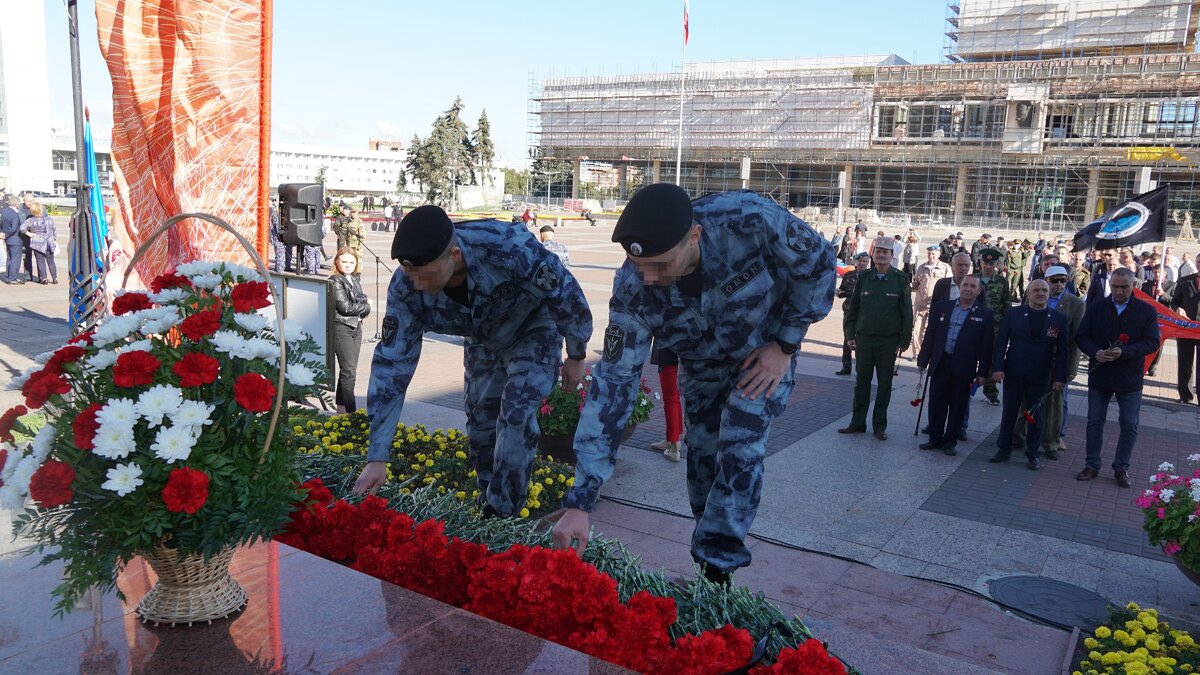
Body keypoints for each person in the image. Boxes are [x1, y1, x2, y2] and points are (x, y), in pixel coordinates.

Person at [550, 184, 835, 584]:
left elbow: (819, 263)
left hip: (763, 356)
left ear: (695, 236)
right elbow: (613, 387)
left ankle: (718, 570)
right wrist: (581, 500)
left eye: (661, 265)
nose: (650, 278)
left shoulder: (748, 219)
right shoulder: (633, 290)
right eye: (640, 267)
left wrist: (786, 343)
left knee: (740, 443)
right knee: (702, 460)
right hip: (702, 368)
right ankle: (709, 563)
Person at [354, 205, 593, 519]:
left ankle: (503, 515)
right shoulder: (406, 286)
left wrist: (575, 354)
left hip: (533, 330)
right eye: (412, 276)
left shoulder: (505, 245)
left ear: (454, 255)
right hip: (483, 341)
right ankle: (488, 498)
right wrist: (377, 456)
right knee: (481, 429)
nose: (419, 286)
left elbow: (565, 293)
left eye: (426, 276)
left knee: (516, 416)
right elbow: (392, 366)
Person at [1075, 268, 1160, 487]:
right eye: (1115, 287)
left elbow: (1152, 342)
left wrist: (1125, 351)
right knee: (1094, 421)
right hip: (1100, 375)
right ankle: (1092, 464)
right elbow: (1082, 336)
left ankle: (1121, 468)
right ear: (1109, 285)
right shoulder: (1096, 308)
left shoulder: (1146, 311)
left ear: (1134, 286)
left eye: (1124, 287)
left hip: (1129, 378)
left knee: (1129, 423)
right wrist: (1095, 352)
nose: (1119, 291)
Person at [988, 280, 1070, 470]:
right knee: (1009, 412)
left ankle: (1033, 453)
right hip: (1014, 371)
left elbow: (1063, 351)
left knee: (1036, 416)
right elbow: (1001, 343)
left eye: (1044, 290)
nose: (1041, 293)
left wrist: (1059, 377)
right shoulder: (1013, 314)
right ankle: (1003, 449)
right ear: (1028, 293)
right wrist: (998, 368)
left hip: (1041, 375)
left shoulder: (1058, 318)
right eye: (1036, 290)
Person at [839, 236, 913, 441]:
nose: (881, 255)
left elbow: (907, 313)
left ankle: (879, 426)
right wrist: (850, 335)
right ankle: (857, 423)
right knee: (861, 382)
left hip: (888, 341)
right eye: (878, 251)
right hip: (864, 339)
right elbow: (853, 309)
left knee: (884, 384)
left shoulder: (900, 279)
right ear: (872, 253)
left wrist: (904, 341)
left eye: (885, 252)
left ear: (892, 255)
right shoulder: (863, 277)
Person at [1010, 266, 1085, 460]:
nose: (1058, 284)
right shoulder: (1035, 295)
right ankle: (1017, 436)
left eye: (1063, 280)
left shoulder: (1075, 304)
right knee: (1025, 402)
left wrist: (1071, 368)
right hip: (1032, 361)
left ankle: (1050, 443)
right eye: (1054, 280)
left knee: (1054, 405)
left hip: (1056, 362)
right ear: (1046, 280)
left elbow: (1076, 339)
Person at [917, 274, 993, 456]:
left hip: (964, 366)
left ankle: (949, 441)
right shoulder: (943, 307)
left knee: (958, 405)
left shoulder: (985, 314)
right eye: (965, 284)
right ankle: (935, 437)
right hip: (941, 361)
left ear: (978, 290)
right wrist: (923, 358)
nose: (968, 288)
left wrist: (982, 372)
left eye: (972, 286)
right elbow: (930, 334)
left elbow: (986, 346)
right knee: (936, 402)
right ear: (960, 286)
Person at [330, 247, 371, 414]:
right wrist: (367, 307)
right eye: (344, 261)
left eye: (351, 262)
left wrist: (362, 306)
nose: (348, 265)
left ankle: (341, 408)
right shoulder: (335, 280)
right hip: (342, 327)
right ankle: (351, 412)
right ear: (337, 262)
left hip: (356, 327)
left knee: (348, 371)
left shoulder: (353, 279)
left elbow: (360, 300)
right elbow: (345, 307)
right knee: (349, 373)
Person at [976, 248, 1010, 406]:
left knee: (991, 359)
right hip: (974, 325)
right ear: (980, 262)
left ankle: (991, 392)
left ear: (996, 264)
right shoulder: (973, 280)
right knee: (970, 356)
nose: (988, 266)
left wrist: (1005, 327)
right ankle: (968, 385)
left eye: (991, 263)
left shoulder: (1002, 282)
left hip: (994, 327)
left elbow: (1007, 306)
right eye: (985, 262)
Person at [910, 245, 950, 359]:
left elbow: (949, 285)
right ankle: (916, 353)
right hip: (921, 304)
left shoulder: (945, 268)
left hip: (937, 304)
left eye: (933, 253)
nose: (931, 255)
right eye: (929, 253)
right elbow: (916, 282)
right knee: (917, 329)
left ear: (939, 254)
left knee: (934, 330)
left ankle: (932, 352)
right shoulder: (922, 267)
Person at [836, 252, 871, 374]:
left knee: (861, 341)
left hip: (864, 315)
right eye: (860, 261)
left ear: (868, 263)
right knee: (847, 339)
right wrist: (839, 292)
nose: (862, 263)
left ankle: (860, 368)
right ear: (856, 262)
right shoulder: (849, 275)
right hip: (849, 312)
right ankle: (846, 367)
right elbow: (843, 292)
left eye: (864, 261)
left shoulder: (871, 277)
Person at [649, 342, 684, 462]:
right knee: (674, 399)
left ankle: (674, 446)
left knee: (670, 400)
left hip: (670, 355)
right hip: (679, 356)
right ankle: (671, 439)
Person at [1173, 270, 1200, 404]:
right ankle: (1185, 395)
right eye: (1199, 262)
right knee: (1185, 363)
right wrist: (1178, 308)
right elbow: (1174, 301)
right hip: (1186, 328)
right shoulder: (1185, 280)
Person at [19, 201, 57, 284]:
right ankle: (54, 278)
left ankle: (44, 278)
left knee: (40, 261)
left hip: (38, 243)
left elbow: (22, 228)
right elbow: (54, 229)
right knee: (51, 261)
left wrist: (29, 234)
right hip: (49, 242)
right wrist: (54, 238)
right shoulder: (49, 219)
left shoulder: (31, 220)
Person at [1, 195, 24, 285]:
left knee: (9, 258)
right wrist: (6, 235)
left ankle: (8, 276)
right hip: (16, 239)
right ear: (17, 204)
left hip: (8, 240)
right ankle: (12, 277)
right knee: (15, 259)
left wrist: (3, 233)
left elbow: (1, 223)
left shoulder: (5, 211)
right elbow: (14, 228)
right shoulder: (15, 214)